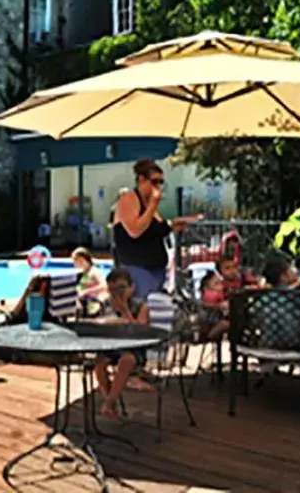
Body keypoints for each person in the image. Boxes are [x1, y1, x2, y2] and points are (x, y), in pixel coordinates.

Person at [112, 159, 201, 299]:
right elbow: (135, 231)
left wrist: (175, 225)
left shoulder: (149, 205)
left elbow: (158, 228)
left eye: (161, 182)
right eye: (154, 182)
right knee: (143, 310)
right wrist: (153, 204)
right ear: (141, 180)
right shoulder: (129, 200)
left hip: (156, 269)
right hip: (137, 268)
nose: (158, 187)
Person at [93, 267, 151, 419]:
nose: (116, 293)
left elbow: (140, 331)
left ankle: (109, 403)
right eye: (112, 289)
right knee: (99, 362)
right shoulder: (106, 305)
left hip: (133, 348)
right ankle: (109, 400)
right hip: (112, 346)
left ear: (132, 287)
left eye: (121, 288)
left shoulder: (141, 306)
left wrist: (125, 310)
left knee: (127, 360)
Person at [72, 246, 109, 314]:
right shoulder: (85, 272)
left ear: (81, 260)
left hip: (94, 303)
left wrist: (85, 291)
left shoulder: (93, 272)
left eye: (75, 260)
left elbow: (105, 286)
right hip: (87, 302)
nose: (73, 263)